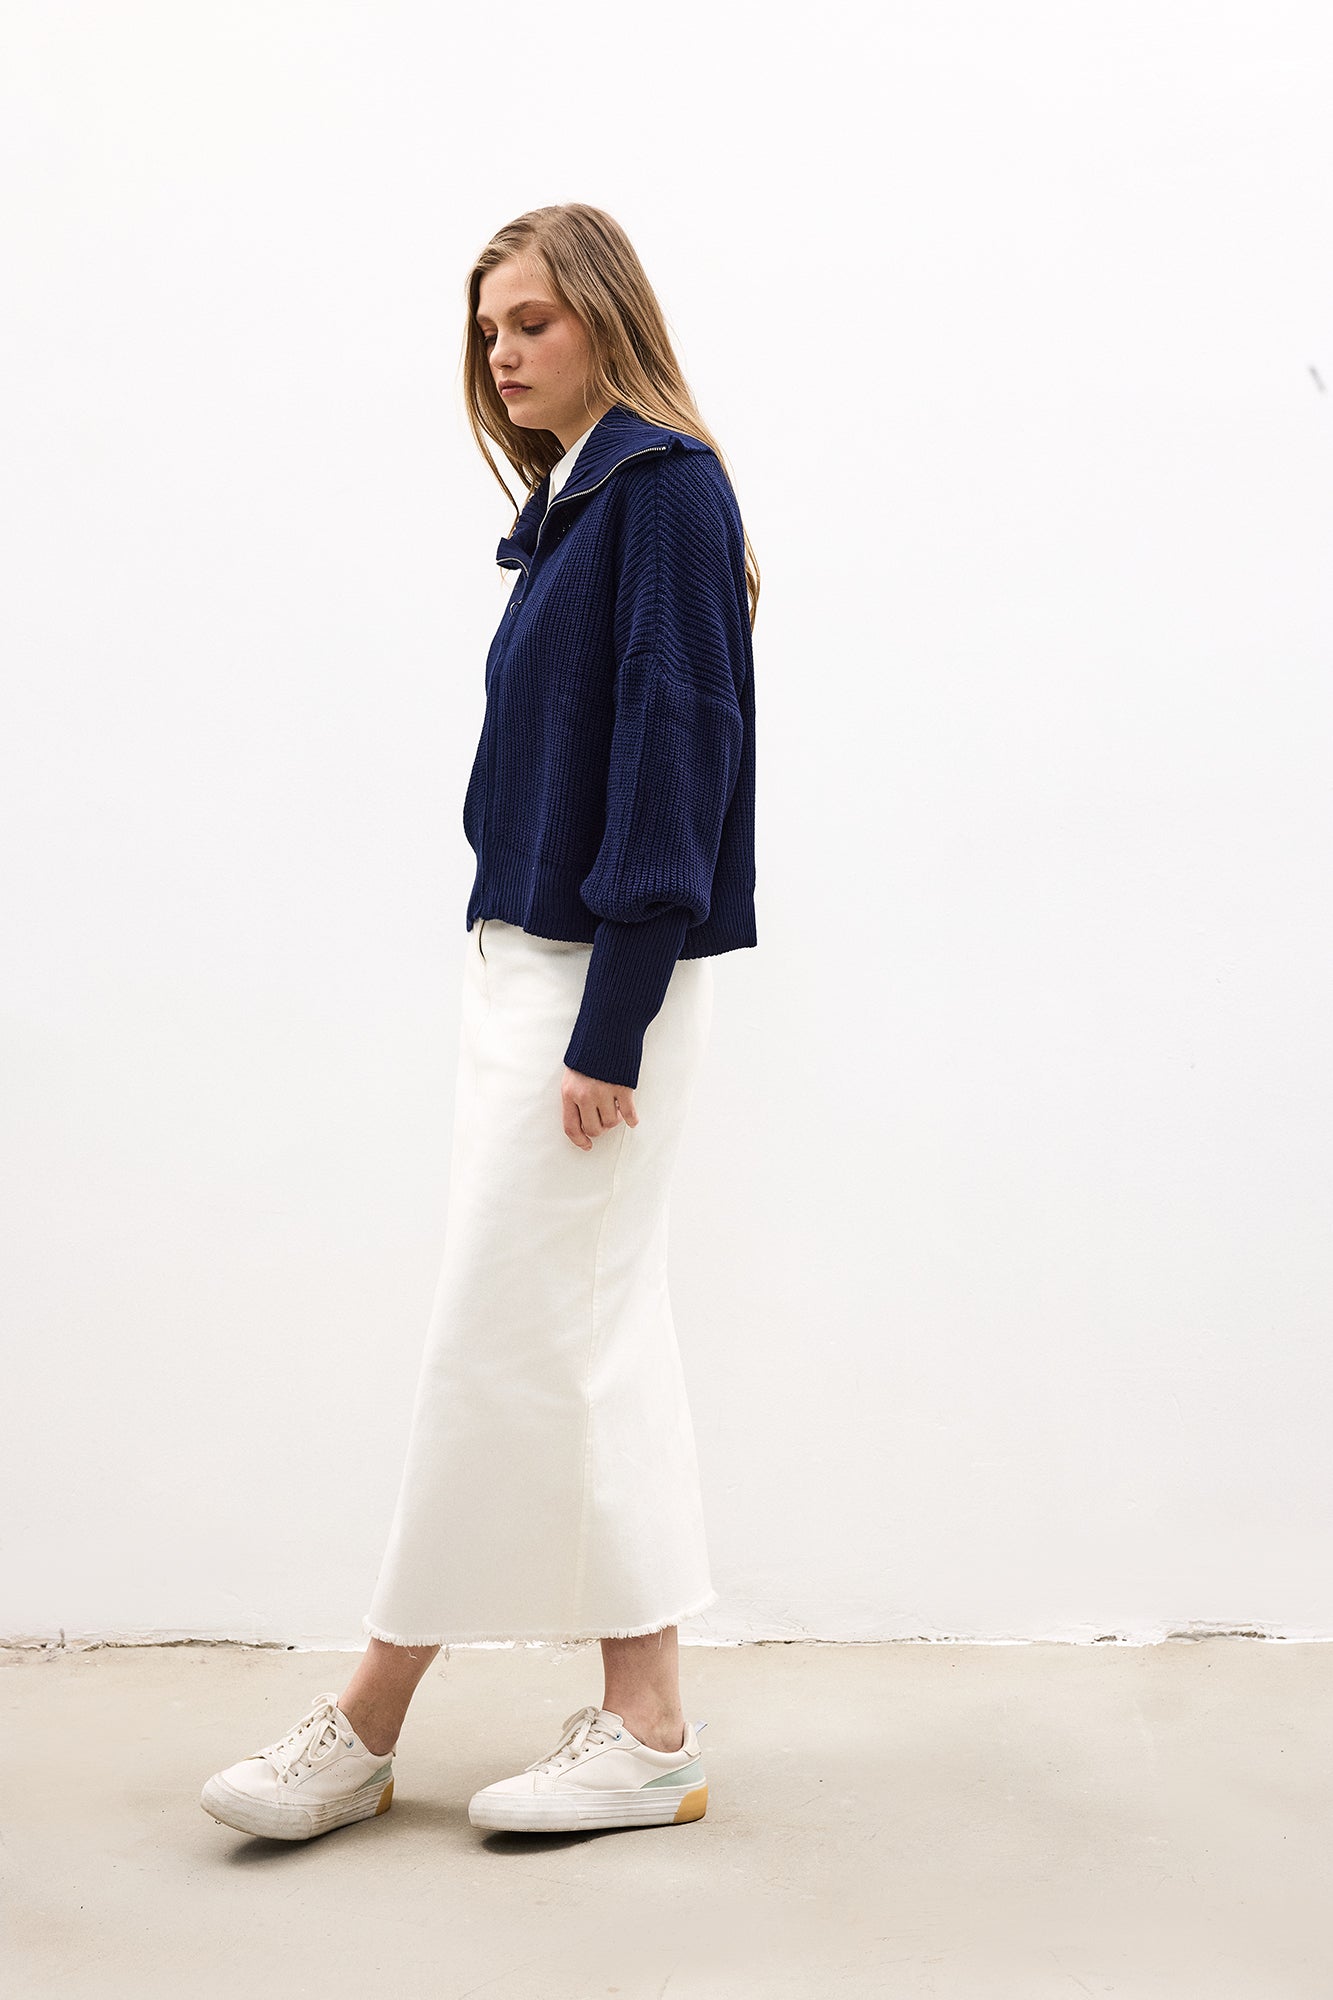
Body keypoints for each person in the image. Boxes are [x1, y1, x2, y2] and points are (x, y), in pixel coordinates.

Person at [200, 203, 759, 1841]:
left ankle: (371, 1714)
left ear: (605, 318)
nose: (500, 354)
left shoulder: (658, 491)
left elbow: (677, 753)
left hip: (591, 987)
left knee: (497, 1340)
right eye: (487, 330)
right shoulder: (577, 500)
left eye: (530, 322)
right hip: (531, 972)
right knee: (588, 1341)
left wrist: (610, 1022)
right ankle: (646, 1725)